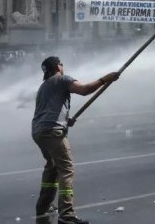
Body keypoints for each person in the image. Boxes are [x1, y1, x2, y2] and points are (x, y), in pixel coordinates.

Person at [32, 56, 120, 224]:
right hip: (53, 132)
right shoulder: (62, 79)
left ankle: (43, 207)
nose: (63, 66)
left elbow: (48, 110)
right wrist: (105, 79)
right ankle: (66, 215)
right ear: (58, 66)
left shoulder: (44, 86)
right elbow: (85, 90)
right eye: (61, 64)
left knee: (52, 168)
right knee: (67, 169)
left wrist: (66, 120)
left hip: (39, 132)